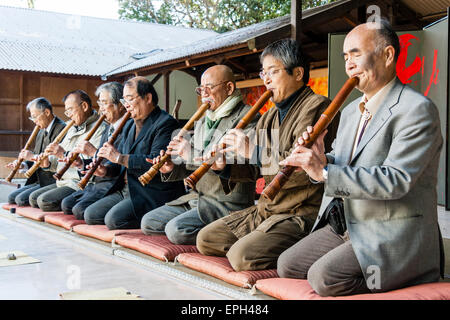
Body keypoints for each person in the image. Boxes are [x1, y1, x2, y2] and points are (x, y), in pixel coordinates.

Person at [276, 20, 444, 297]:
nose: (349, 64)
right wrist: (318, 157)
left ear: (388, 56)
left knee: (324, 278)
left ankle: (411, 276)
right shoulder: (353, 109)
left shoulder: (417, 109)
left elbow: (396, 180)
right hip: (349, 223)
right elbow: (343, 161)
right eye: (345, 57)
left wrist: (325, 173)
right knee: (288, 265)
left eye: (356, 54)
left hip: (391, 229)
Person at [196, 39, 339, 271]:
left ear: (298, 73)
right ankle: (263, 240)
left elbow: (300, 167)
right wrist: (224, 167)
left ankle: (297, 248)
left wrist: (253, 150)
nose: (266, 79)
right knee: (206, 240)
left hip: (300, 211)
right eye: (264, 72)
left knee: (241, 256)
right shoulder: (269, 116)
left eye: (273, 71)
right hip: (267, 209)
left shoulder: (318, 107)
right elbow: (255, 169)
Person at [140, 65, 259, 245]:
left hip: (226, 204)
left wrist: (192, 153)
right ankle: (209, 231)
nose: (203, 94)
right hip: (197, 199)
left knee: (176, 230)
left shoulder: (248, 116)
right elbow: (192, 162)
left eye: (209, 88)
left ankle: (225, 231)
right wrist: (172, 166)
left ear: (229, 88)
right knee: (148, 223)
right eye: (200, 89)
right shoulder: (205, 119)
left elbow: (246, 166)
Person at [83, 76, 185, 230]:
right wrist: (105, 170)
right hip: (127, 189)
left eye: (130, 99)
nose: (126, 106)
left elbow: (154, 162)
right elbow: (119, 163)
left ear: (148, 98)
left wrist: (119, 157)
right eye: (124, 101)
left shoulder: (165, 123)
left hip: (150, 192)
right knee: (90, 214)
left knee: (114, 220)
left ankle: (156, 219)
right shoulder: (130, 124)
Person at [60, 82, 131, 220]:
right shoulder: (108, 128)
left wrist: (94, 152)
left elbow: (119, 162)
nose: (101, 109)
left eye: (105, 103)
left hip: (114, 184)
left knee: (81, 210)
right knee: (67, 204)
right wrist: (81, 164)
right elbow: (100, 162)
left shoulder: (129, 127)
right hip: (98, 182)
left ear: (121, 105)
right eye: (100, 103)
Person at [28, 90, 107, 211]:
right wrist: (47, 163)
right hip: (62, 181)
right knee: (33, 198)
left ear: (84, 106)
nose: (68, 115)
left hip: (77, 183)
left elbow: (91, 164)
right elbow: (57, 162)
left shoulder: (100, 128)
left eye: (70, 110)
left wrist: (63, 154)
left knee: (43, 201)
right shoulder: (70, 127)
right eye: (67, 111)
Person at [6, 97, 66, 206]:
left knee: (21, 200)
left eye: (34, 116)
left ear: (47, 112)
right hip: (39, 179)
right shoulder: (40, 131)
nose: (34, 121)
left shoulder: (62, 129)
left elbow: (56, 161)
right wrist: (23, 165)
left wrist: (32, 156)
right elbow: (36, 157)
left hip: (52, 181)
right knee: (11, 197)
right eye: (32, 118)